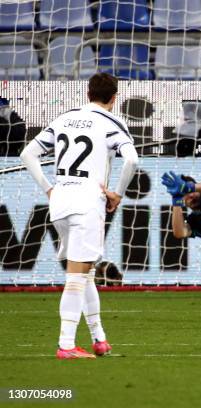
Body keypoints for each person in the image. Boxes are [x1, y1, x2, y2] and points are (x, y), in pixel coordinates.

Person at [20, 73, 139, 359]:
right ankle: (66, 345)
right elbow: (133, 160)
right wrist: (118, 194)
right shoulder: (111, 123)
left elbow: (27, 154)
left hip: (60, 200)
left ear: (87, 93)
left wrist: (49, 189)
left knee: (86, 274)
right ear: (114, 97)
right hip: (88, 201)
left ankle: (99, 338)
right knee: (77, 276)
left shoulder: (64, 118)